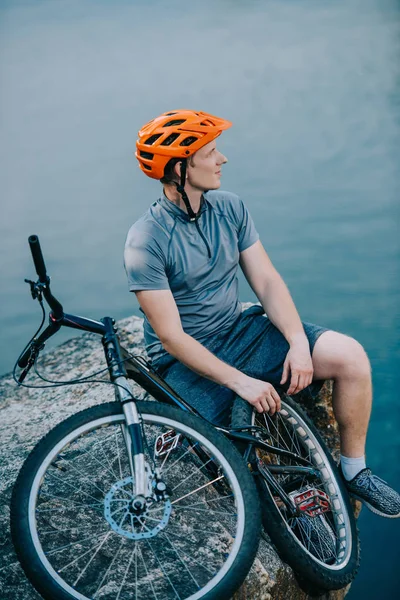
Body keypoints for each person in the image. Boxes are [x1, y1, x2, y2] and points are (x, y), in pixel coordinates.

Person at [124, 109, 400, 518]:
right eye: (211, 152)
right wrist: (243, 384)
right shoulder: (145, 240)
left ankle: (354, 471)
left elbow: (266, 281)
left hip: (240, 329)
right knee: (220, 457)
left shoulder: (230, 208)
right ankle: (287, 509)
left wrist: (296, 342)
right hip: (186, 362)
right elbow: (171, 337)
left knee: (352, 358)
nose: (223, 159)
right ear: (180, 168)